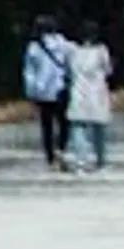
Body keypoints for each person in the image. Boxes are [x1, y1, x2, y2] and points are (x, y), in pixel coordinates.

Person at [22, 14, 74, 171]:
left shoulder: (33, 48)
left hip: (42, 91)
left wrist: (30, 92)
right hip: (61, 88)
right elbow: (71, 64)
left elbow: (29, 72)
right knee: (64, 122)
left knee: (47, 125)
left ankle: (50, 157)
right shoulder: (64, 44)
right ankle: (62, 148)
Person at [65, 22, 116, 172]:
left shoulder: (73, 51)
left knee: (78, 128)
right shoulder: (101, 51)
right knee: (99, 128)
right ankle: (100, 161)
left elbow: (69, 71)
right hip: (97, 92)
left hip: (78, 91)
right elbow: (108, 70)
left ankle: (80, 161)